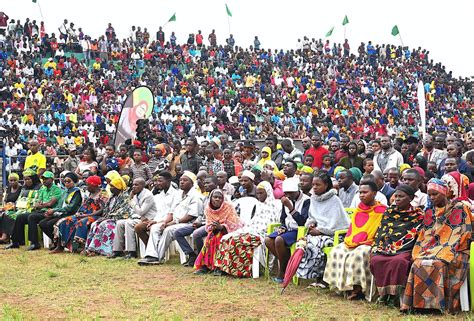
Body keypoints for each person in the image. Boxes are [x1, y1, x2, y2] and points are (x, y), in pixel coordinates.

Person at [401, 179, 472, 313]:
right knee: (417, 263)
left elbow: (464, 233)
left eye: (435, 194)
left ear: (444, 193)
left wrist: (446, 249)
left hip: (456, 249)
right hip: (431, 249)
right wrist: (430, 250)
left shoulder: (460, 208)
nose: (432, 198)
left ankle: (440, 306)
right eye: (430, 195)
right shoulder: (429, 212)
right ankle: (420, 306)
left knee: (439, 264)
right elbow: (425, 236)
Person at [323, 181, 387, 300]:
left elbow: (383, 231)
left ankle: (357, 288)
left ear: (374, 193)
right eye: (360, 192)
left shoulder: (382, 210)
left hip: (372, 242)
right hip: (354, 240)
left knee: (358, 254)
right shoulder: (359, 209)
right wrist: (354, 240)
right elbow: (355, 228)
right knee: (337, 251)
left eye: (365, 192)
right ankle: (342, 286)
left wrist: (368, 241)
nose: (362, 195)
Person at [370, 185, 424, 305]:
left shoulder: (418, 214)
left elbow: (416, 235)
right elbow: (382, 231)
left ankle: (395, 295)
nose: (397, 199)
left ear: (410, 198)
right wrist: (385, 246)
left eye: (401, 196)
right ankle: (383, 294)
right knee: (376, 259)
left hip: (406, 248)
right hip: (386, 247)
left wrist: (399, 247)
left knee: (400, 261)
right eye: (396, 196)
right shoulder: (389, 212)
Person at [216, 181, 280, 277]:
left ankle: (241, 271)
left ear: (268, 192)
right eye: (257, 193)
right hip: (252, 230)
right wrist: (247, 229)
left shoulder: (274, 206)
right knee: (227, 237)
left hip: (263, 234)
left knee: (237, 241)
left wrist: (254, 230)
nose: (259, 196)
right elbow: (254, 221)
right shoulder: (259, 205)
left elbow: (273, 225)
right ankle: (224, 268)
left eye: (261, 193)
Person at [296, 172, 350, 284]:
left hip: (333, 234)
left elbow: (336, 223)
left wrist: (320, 231)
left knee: (314, 244)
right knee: (304, 242)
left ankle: (323, 278)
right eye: (313, 184)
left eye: (318, 185)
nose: (314, 187)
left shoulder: (334, 200)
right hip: (317, 232)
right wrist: (311, 224)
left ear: (326, 185)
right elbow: (312, 216)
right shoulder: (314, 199)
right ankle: (313, 275)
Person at [137, 171, 202, 265]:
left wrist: (171, 223)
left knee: (168, 230)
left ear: (192, 183)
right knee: (156, 227)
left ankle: (157, 257)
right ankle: (151, 256)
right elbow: (171, 212)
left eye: (185, 180)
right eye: (180, 180)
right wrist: (164, 222)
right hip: (174, 222)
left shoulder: (195, 196)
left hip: (187, 223)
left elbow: (190, 216)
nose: (182, 182)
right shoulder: (179, 194)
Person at [265, 178, 310, 283]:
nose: (288, 196)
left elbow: (302, 222)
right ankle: (288, 263)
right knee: (268, 240)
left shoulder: (306, 200)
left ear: (297, 191)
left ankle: (282, 272)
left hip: (299, 231)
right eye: (286, 193)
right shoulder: (285, 199)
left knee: (279, 240)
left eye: (291, 193)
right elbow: (283, 218)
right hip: (288, 229)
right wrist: (282, 227)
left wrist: (290, 207)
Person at [52, 175, 108, 253]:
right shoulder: (89, 193)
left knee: (82, 223)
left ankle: (79, 247)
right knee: (64, 221)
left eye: (88, 184)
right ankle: (60, 246)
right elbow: (84, 205)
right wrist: (79, 213)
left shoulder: (103, 194)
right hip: (84, 214)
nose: (87, 186)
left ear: (94, 185)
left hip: (95, 215)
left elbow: (102, 210)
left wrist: (86, 215)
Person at [9, 171, 63, 250]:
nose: (44, 181)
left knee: (32, 217)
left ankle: (34, 243)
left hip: (50, 212)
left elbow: (50, 204)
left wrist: (41, 205)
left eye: (46, 179)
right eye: (43, 179)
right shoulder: (43, 189)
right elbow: (38, 202)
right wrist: (39, 205)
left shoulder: (56, 189)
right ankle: (15, 242)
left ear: (52, 179)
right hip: (41, 211)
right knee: (20, 217)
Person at [194, 189, 242, 275]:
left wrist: (222, 227)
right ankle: (206, 265)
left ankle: (219, 266)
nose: (217, 199)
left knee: (218, 237)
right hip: (215, 230)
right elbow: (208, 224)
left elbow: (234, 224)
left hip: (230, 230)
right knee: (211, 236)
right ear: (211, 198)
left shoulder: (228, 207)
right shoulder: (208, 208)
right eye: (215, 197)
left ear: (223, 199)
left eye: (220, 198)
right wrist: (214, 227)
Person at [111, 177, 158, 259]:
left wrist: (132, 200)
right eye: (133, 184)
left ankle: (131, 252)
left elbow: (141, 211)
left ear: (143, 186)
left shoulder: (148, 195)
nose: (133, 187)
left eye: (136, 185)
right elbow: (134, 211)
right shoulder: (136, 195)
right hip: (139, 218)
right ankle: (117, 251)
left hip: (149, 219)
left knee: (129, 223)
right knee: (119, 223)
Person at [85, 176, 131, 256]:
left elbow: (124, 212)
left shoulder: (125, 197)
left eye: (113, 186)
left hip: (119, 219)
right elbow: (106, 209)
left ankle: (105, 250)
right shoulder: (112, 197)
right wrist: (105, 217)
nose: (110, 188)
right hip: (109, 218)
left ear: (118, 187)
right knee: (95, 224)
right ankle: (91, 248)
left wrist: (108, 217)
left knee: (106, 225)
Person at [39, 172, 82, 246]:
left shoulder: (76, 192)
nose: (66, 183)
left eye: (69, 181)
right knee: (42, 223)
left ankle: (59, 244)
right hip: (61, 213)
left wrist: (54, 210)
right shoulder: (65, 192)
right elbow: (59, 205)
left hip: (70, 214)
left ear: (74, 182)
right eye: (65, 181)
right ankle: (55, 241)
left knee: (50, 224)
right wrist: (51, 212)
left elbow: (70, 208)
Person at [2, 170, 41, 247]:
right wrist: (14, 205)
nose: (26, 181)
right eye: (25, 179)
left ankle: (18, 240)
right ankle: (10, 239)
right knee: (6, 214)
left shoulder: (40, 187)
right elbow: (19, 199)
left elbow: (38, 201)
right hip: (20, 209)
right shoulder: (23, 188)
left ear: (33, 179)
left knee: (17, 216)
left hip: (32, 209)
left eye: (28, 179)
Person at [0, 173, 22, 243]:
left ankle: (5, 237)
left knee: (6, 214)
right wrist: (5, 206)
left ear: (18, 180)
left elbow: (21, 200)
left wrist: (12, 206)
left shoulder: (21, 188)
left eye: (14, 180)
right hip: (7, 207)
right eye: (11, 180)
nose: (12, 182)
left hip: (16, 208)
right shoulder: (9, 188)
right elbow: (5, 200)